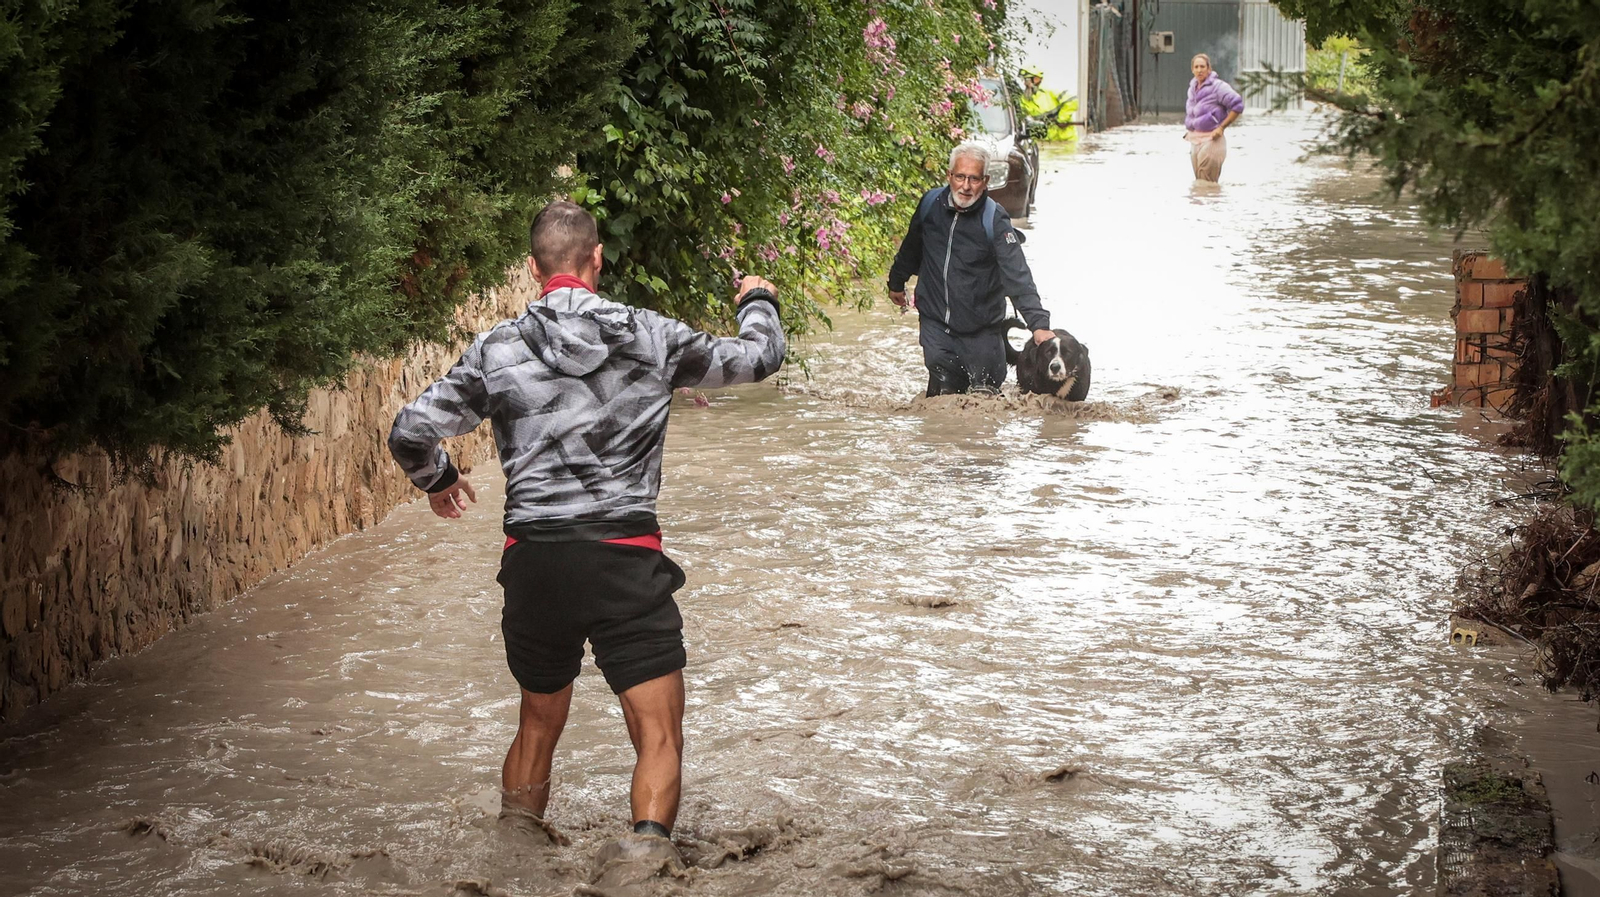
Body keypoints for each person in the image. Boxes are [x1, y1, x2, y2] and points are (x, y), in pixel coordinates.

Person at [386, 201, 784, 869]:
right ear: (596, 258)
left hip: (534, 557)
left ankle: (510, 860)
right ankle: (644, 864)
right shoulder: (650, 334)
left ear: (534, 267)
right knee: (657, 732)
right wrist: (759, 300)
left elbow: (410, 430)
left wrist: (440, 480)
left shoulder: (499, 348)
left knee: (537, 724)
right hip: (623, 554)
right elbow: (759, 357)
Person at [888, 142, 1054, 396]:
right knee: (943, 400)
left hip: (982, 332)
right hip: (936, 326)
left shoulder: (994, 220)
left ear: (985, 181)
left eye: (974, 179)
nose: (965, 186)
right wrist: (896, 283)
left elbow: (1017, 275)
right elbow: (911, 249)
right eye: (960, 177)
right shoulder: (929, 205)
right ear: (949, 176)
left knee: (983, 406)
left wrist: (1038, 324)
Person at [1183, 53, 1244, 182]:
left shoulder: (1218, 87)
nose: (1199, 70)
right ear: (1192, 69)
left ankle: (1214, 202)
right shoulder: (1192, 89)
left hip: (1213, 140)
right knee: (1199, 183)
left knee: (1207, 182)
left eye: (1202, 67)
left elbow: (1237, 105)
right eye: (1196, 67)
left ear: (1209, 69)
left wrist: (1221, 127)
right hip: (1195, 140)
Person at [1017, 66, 1078, 142]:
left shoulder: (1050, 90)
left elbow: (1072, 101)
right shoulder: (1025, 99)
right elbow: (1022, 118)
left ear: (1036, 79)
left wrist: (1062, 119)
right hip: (1045, 141)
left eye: (1027, 80)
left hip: (1066, 139)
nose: (1024, 83)